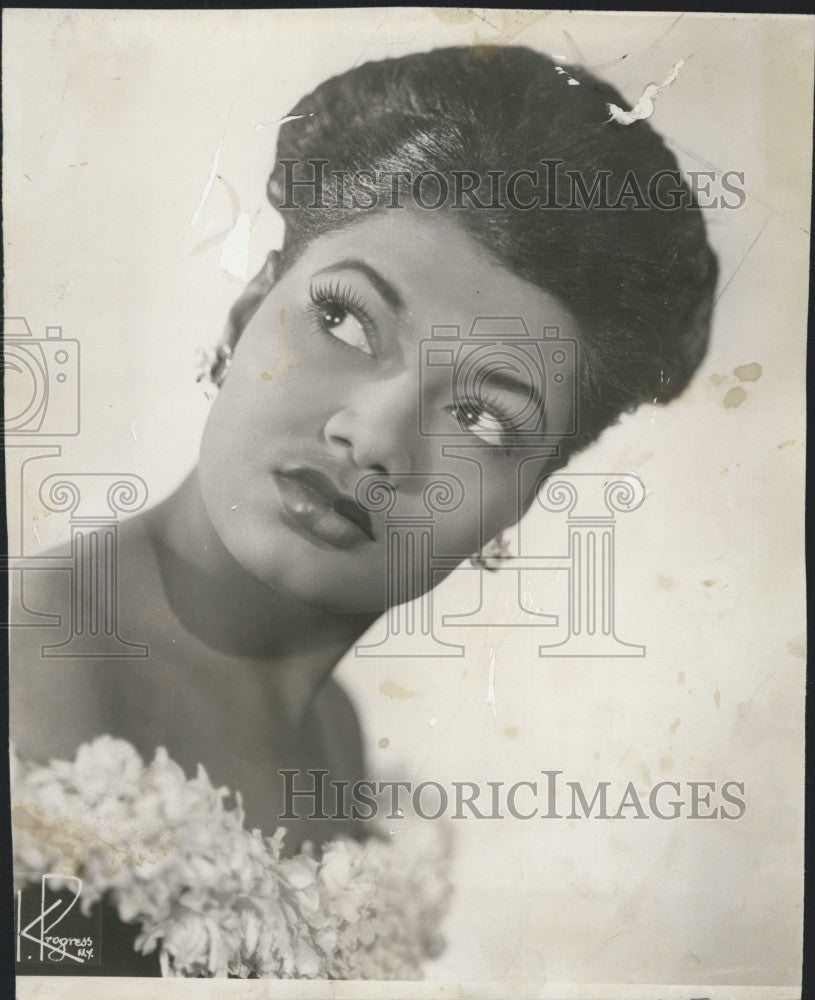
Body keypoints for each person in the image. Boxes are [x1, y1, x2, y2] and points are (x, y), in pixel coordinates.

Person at [10, 44, 717, 978]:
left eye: (481, 417)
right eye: (345, 319)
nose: (376, 435)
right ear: (244, 315)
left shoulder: (338, 739)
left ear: (523, 503)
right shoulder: (33, 666)